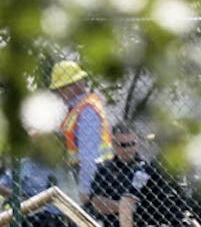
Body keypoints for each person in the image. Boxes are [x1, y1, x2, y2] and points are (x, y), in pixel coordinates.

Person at [87, 123, 189, 227]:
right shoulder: (105, 169)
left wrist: (127, 206)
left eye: (132, 144)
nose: (128, 149)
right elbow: (98, 203)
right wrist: (130, 207)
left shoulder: (147, 169)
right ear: (114, 144)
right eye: (123, 145)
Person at [51, 59, 113, 205]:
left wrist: (84, 191)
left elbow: (88, 156)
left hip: (95, 182)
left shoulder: (87, 111)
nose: (59, 93)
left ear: (75, 85)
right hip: (85, 179)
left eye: (62, 87)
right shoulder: (74, 110)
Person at [0, 135, 66, 227]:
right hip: (34, 215)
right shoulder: (27, 165)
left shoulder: (63, 169)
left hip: (58, 215)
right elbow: (2, 185)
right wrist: (18, 197)